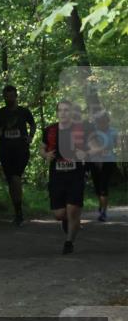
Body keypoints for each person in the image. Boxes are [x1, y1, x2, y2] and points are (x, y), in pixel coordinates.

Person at [41, 101, 95, 254]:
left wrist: (85, 153)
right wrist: (46, 155)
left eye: (67, 110)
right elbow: (41, 148)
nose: (63, 113)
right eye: (61, 110)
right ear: (57, 112)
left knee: (72, 211)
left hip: (75, 175)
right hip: (57, 176)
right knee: (59, 214)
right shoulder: (50, 130)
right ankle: (67, 222)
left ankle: (69, 242)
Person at [0, 85, 36, 226]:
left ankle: (19, 213)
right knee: (11, 181)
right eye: (6, 96)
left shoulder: (24, 111)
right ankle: (17, 211)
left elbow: (33, 124)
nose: (9, 98)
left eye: (11, 96)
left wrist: (31, 137)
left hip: (21, 150)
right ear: (3, 97)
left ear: (16, 96)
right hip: (5, 151)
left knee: (16, 177)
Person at [87, 110, 118, 222]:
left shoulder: (114, 131)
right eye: (99, 122)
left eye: (104, 121)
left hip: (108, 162)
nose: (102, 124)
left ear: (108, 121)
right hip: (94, 162)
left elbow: (115, 145)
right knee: (97, 188)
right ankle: (101, 205)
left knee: (103, 186)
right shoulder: (93, 131)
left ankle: (103, 212)